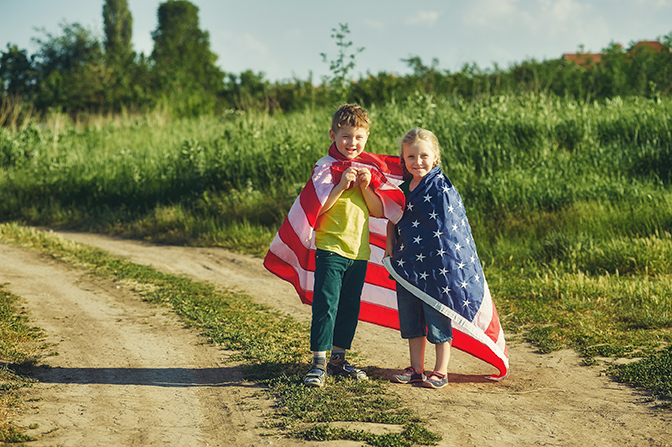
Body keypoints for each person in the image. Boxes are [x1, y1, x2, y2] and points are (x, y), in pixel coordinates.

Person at [302, 104, 387, 387]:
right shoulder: (325, 168)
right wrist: (339, 186)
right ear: (333, 135)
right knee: (326, 305)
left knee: (350, 306)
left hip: (358, 251)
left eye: (359, 137)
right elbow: (318, 209)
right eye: (346, 136)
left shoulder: (368, 170)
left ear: (367, 138)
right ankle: (318, 363)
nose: (352, 143)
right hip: (330, 248)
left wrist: (364, 186)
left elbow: (376, 210)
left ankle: (339, 359)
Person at [384, 127, 453, 389]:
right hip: (407, 261)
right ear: (403, 159)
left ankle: (441, 370)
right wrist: (390, 241)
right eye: (411, 157)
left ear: (435, 157)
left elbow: (449, 226)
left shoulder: (440, 187)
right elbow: (393, 215)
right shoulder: (402, 187)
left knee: (437, 315)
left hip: (435, 266)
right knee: (411, 316)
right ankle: (416, 368)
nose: (418, 162)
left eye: (424, 156)